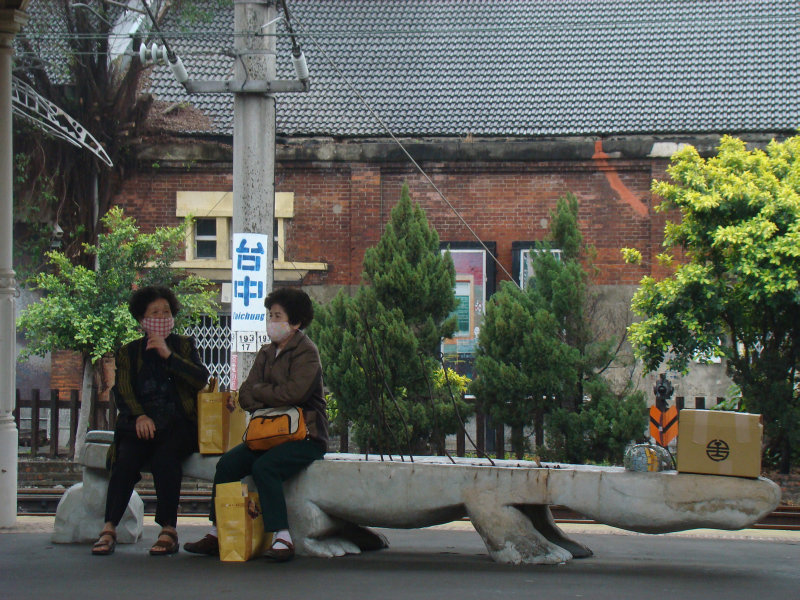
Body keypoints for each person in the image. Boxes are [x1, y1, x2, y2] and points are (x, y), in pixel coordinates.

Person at [184, 287, 328, 562]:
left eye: (278, 316)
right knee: (227, 465)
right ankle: (217, 532)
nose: (271, 321)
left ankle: (282, 537)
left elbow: (295, 394)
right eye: (270, 315)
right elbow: (245, 395)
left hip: (305, 437)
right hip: (266, 435)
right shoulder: (265, 353)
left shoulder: (307, 352)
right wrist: (267, 393)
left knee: (265, 467)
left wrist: (262, 392)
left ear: (295, 322)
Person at [92, 286, 209, 556]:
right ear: (142, 319)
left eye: (166, 311)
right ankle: (109, 527)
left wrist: (169, 356)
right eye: (155, 312)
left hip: (179, 423)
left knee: (165, 459)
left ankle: (169, 529)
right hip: (140, 425)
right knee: (126, 459)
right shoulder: (128, 352)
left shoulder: (184, 345)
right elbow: (122, 389)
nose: (162, 316)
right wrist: (139, 416)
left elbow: (200, 378)